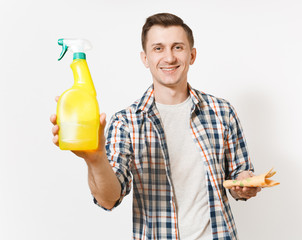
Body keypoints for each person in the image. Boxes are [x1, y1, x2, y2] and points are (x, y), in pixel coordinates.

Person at [50, 13, 261, 240]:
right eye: (158, 48)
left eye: (177, 47)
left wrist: (245, 183)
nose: (169, 57)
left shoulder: (222, 112)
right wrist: (96, 158)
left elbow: (240, 172)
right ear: (145, 58)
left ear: (192, 55)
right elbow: (108, 199)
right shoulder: (126, 122)